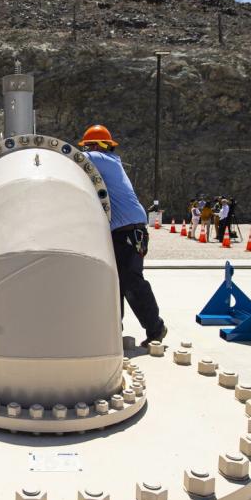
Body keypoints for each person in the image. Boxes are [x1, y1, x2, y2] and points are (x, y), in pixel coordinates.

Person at [80, 124, 167, 347]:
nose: (86, 149)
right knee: (113, 282)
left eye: (88, 145)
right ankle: (112, 331)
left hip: (129, 230)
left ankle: (156, 328)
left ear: (99, 146)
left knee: (131, 281)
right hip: (121, 231)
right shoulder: (107, 163)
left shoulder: (101, 159)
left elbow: (70, 158)